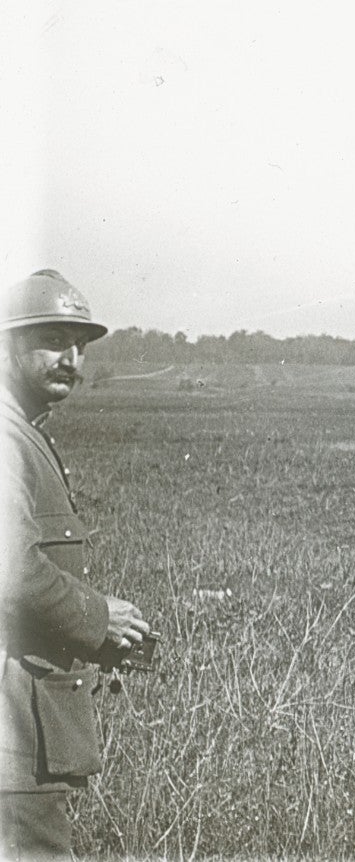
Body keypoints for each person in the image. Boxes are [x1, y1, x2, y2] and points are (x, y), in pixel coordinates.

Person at [2, 271, 151, 858]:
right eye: (53, 340)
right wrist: (97, 619)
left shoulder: (27, 433)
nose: (71, 358)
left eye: (81, 345)